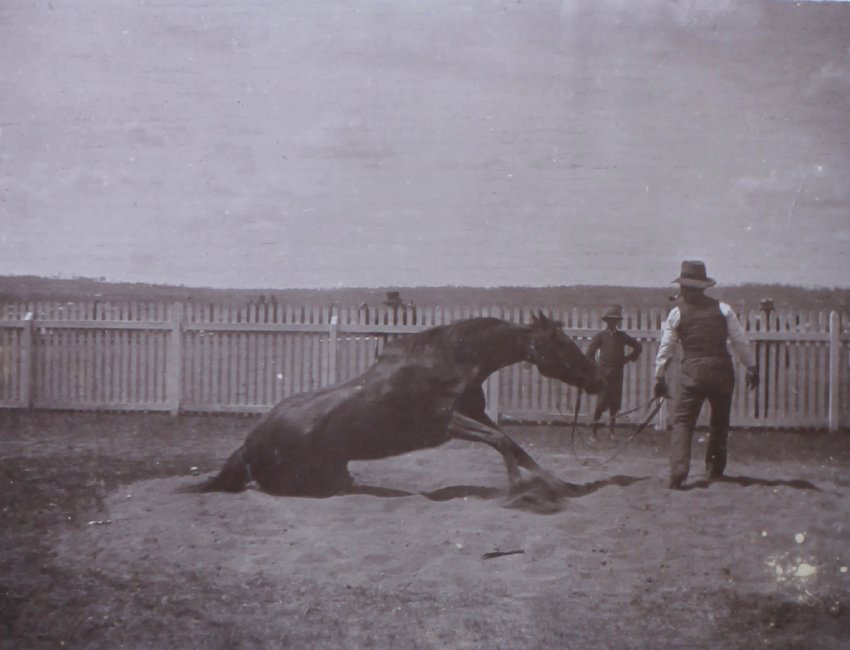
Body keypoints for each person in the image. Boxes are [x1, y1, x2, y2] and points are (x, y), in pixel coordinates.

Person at [653, 260, 759, 489]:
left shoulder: (676, 313)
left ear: (683, 287)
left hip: (693, 373)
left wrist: (659, 376)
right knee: (720, 422)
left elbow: (666, 349)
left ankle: (679, 471)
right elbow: (740, 341)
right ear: (703, 286)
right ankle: (715, 470)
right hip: (722, 372)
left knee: (683, 421)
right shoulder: (723, 309)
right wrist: (751, 367)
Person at [586, 305, 643, 438]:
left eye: (615, 320)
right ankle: (593, 432)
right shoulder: (600, 336)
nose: (613, 322)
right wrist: (598, 368)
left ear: (618, 322)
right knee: (600, 403)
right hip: (603, 375)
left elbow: (638, 346)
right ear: (606, 321)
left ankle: (612, 431)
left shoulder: (622, 336)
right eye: (611, 320)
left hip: (617, 374)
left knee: (614, 404)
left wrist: (628, 358)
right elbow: (589, 355)